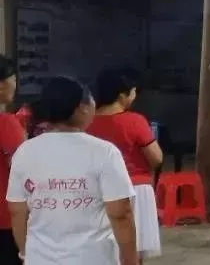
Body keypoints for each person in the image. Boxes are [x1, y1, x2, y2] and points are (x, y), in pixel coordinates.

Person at [6, 76, 138, 265]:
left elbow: (17, 211)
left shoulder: (25, 152)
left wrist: (27, 253)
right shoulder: (104, 152)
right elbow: (121, 213)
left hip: (41, 259)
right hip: (93, 258)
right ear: (82, 107)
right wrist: (130, 260)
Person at [86, 67, 165, 260]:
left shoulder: (87, 122)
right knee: (133, 251)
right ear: (122, 95)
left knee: (104, 251)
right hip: (136, 190)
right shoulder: (135, 121)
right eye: (133, 91)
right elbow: (156, 158)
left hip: (98, 191)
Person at [0, 55, 25, 263]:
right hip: (6, 219)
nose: (15, 85)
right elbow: (23, 169)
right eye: (13, 79)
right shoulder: (6, 123)